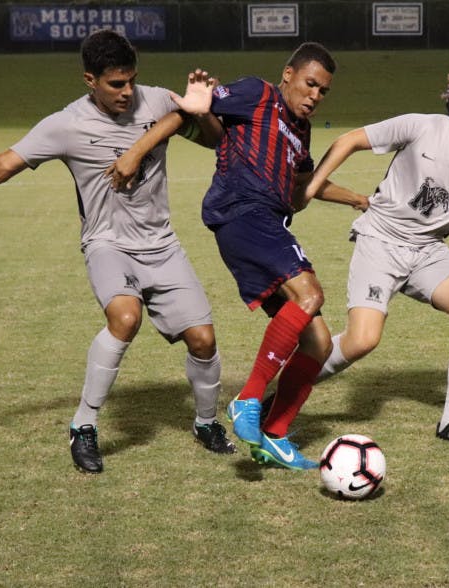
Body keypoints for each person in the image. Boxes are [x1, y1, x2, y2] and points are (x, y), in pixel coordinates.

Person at [0, 30, 237, 475]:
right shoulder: (65, 124)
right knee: (125, 318)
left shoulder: (158, 102)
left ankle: (206, 423)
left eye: (131, 80)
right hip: (107, 244)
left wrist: (202, 112)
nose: (127, 92)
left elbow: (213, 139)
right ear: (89, 79)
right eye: (116, 84)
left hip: (162, 244)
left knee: (204, 340)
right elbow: (2, 165)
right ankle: (85, 425)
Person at [118, 42, 366, 471]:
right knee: (310, 294)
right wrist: (136, 152)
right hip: (242, 213)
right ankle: (248, 400)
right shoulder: (257, 92)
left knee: (319, 342)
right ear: (288, 74)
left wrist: (358, 198)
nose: (315, 96)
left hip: (268, 224)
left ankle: (274, 434)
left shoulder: (300, 131)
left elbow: (301, 191)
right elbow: (187, 113)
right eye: (310, 84)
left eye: (323, 91)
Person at [301, 77, 449, 447]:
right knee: (362, 340)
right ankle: (283, 393)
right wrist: (311, 187)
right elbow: (349, 140)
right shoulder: (423, 127)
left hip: (427, 251)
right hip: (381, 241)